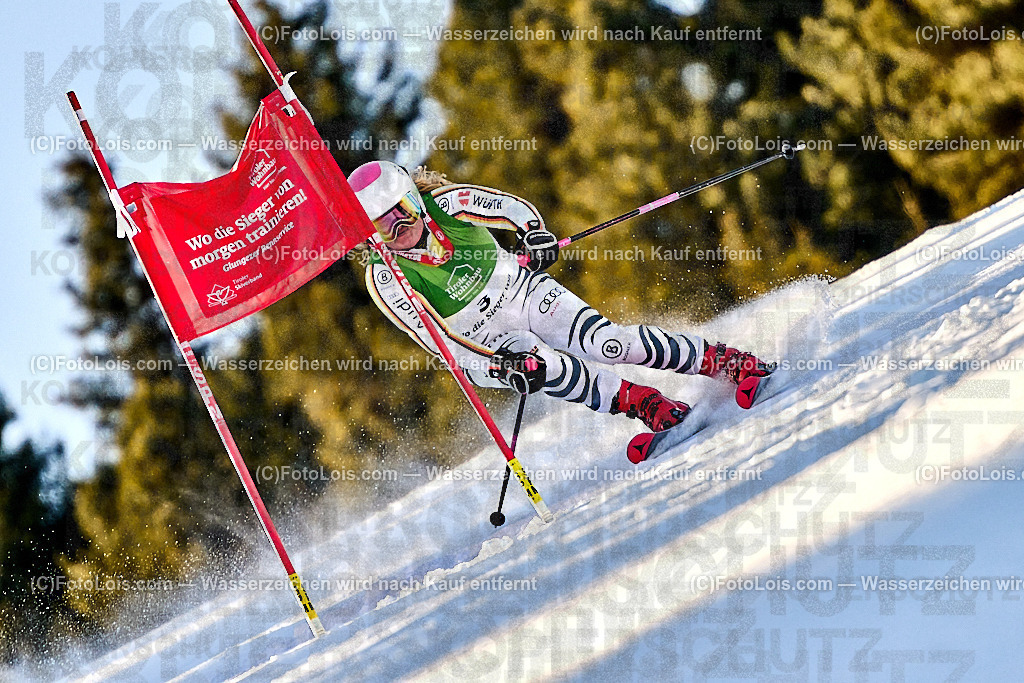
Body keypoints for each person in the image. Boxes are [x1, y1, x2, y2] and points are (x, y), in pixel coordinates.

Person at [352, 160, 773, 441]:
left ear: (417, 199)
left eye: (404, 208)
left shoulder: (447, 204)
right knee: (544, 365)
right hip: (485, 344)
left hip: (522, 291)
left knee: (609, 344)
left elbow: (507, 208)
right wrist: (498, 365)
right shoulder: (386, 276)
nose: (401, 225)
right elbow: (439, 341)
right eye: (384, 225)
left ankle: (726, 362)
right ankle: (644, 403)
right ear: (371, 234)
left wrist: (533, 233)